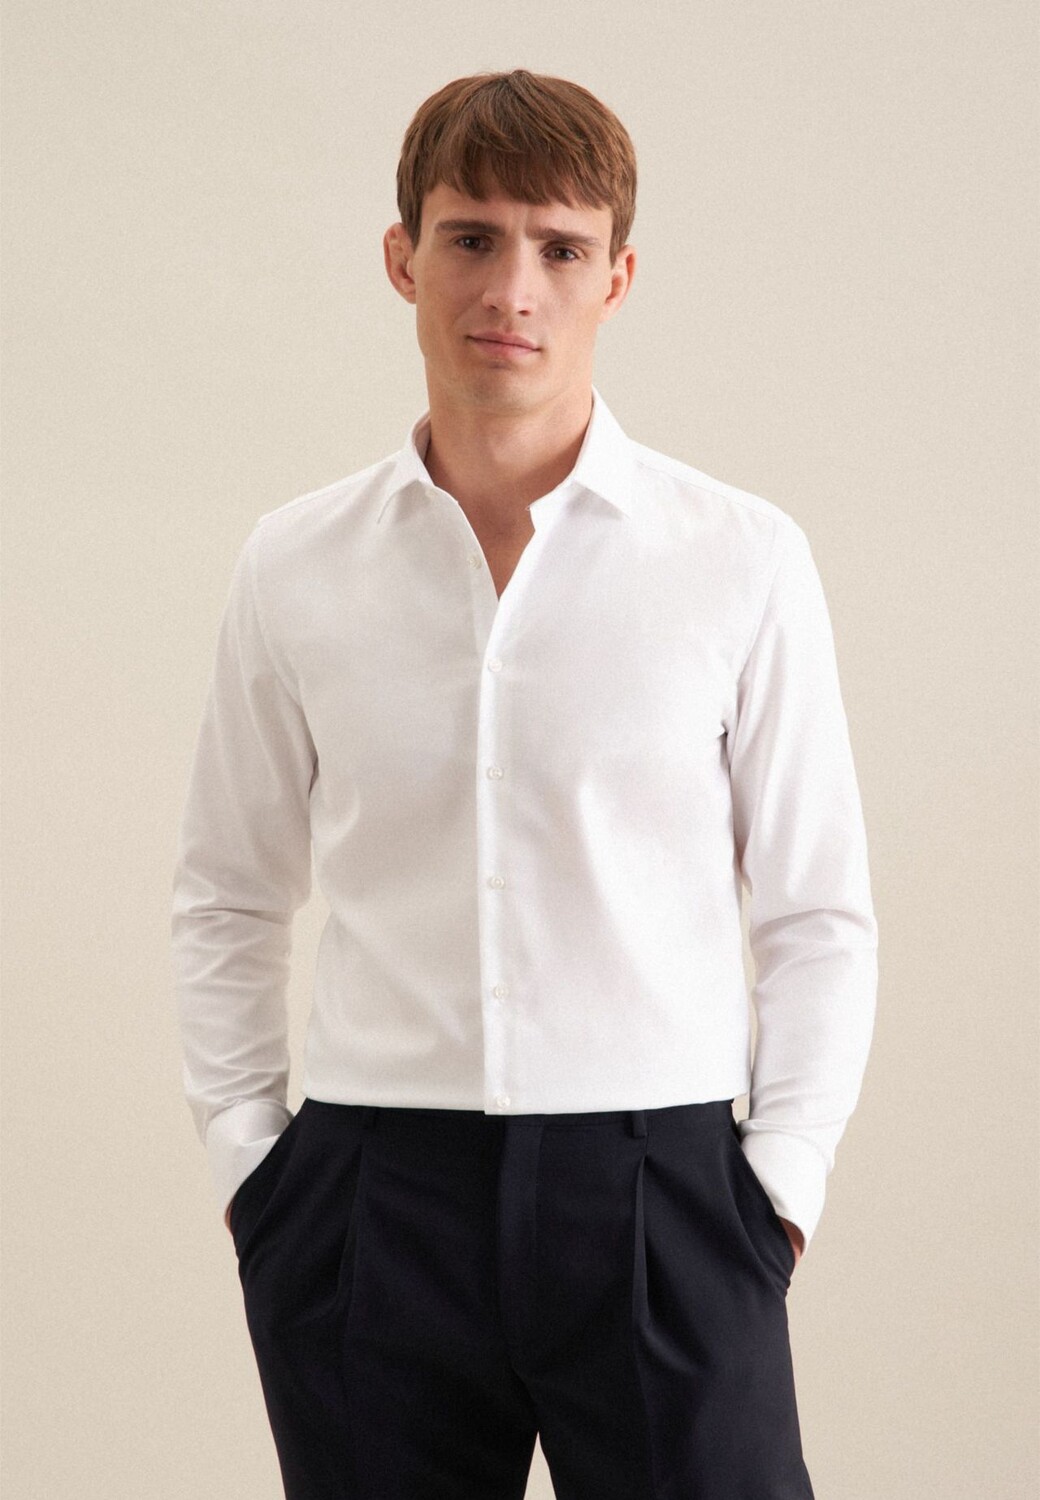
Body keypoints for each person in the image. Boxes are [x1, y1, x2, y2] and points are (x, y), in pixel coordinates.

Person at [171, 67, 878, 1500]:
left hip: (664, 1187)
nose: (513, 289)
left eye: (560, 247)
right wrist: (259, 1171)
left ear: (618, 277)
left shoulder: (739, 559)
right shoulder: (295, 565)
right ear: (402, 258)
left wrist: (779, 1192)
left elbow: (816, 911)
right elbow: (227, 893)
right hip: (372, 1198)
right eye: (472, 238)